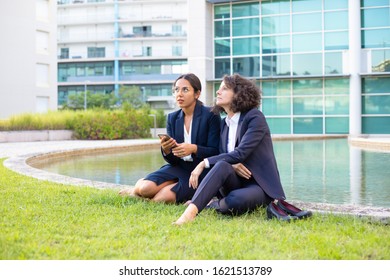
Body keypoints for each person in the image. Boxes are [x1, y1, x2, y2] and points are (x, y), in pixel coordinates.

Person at [173, 74, 287, 225]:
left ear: (239, 93)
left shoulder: (255, 118)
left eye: (224, 89)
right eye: (218, 89)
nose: (218, 92)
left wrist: (203, 163)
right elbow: (224, 156)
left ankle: (209, 205)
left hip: (259, 186)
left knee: (235, 200)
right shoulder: (224, 124)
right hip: (235, 182)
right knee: (222, 165)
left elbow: (241, 153)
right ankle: (190, 212)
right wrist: (232, 164)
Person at [119, 73, 221, 204]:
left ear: (197, 94)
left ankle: (140, 196)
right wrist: (166, 150)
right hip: (178, 167)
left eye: (185, 90)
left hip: (200, 172)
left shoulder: (211, 115)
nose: (179, 94)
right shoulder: (172, 118)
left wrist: (194, 149)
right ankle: (138, 188)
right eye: (176, 90)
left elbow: (216, 151)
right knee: (145, 189)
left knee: (161, 199)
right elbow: (172, 160)